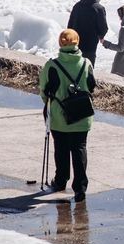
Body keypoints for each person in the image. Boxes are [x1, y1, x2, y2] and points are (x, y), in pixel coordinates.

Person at [39, 29, 96, 202]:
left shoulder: (52, 65)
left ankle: (60, 181)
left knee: (61, 149)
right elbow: (91, 86)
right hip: (82, 116)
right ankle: (80, 189)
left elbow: (43, 91)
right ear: (77, 42)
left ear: (60, 43)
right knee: (79, 148)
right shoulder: (86, 63)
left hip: (59, 117)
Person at [68, 0, 108, 67]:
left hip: (75, 44)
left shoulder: (77, 6)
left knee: (73, 69)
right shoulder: (99, 8)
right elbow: (104, 28)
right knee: (87, 71)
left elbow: (70, 25)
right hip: (90, 46)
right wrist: (101, 36)